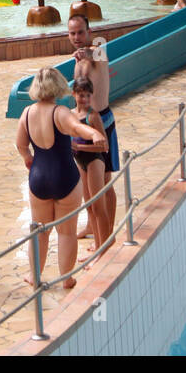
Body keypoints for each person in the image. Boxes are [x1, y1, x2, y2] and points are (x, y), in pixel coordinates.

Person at [15, 67, 105, 290]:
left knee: (40, 231)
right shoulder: (60, 112)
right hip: (65, 176)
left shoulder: (27, 113)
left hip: (39, 178)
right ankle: (67, 278)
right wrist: (94, 133)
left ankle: (35, 276)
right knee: (66, 232)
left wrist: (28, 158)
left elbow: (21, 144)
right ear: (59, 86)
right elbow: (77, 127)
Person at [68, 13, 119, 242]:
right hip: (83, 126)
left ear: (88, 32)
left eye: (81, 32)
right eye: (72, 33)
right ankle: (92, 227)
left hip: (101, 125)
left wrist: (88, 52)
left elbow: (100, 51)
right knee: (88, 187)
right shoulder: (77, 61)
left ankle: (107, 235)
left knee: (104, 185)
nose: (77, 37)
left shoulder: (97, 54)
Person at [70, 76, 112, 253]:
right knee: (88, 206)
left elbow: (104, 146)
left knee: (98, 206)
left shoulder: (92, 116)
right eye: (81, 95)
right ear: (74, 94)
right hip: (80, 162)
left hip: (95, 161)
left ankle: (104, 247)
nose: (85, 99)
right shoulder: (70, 115)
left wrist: (78, 146)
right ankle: (97, 243)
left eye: (88, 96)